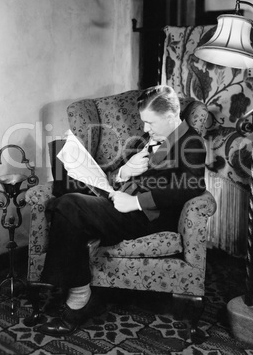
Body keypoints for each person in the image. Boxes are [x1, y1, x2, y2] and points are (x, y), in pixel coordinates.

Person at [36, 85, 206, 337]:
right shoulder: (150, 139)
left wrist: (136, 203)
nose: (145, 128)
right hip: (119, 201)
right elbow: (124, 176)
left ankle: (78, 297)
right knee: (63, 174)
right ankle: (77, 266)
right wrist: (125, 171)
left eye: (150, 122)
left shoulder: (191, 142)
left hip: (144, 216)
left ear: (171, 116)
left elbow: (193, 186)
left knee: (67, 204)